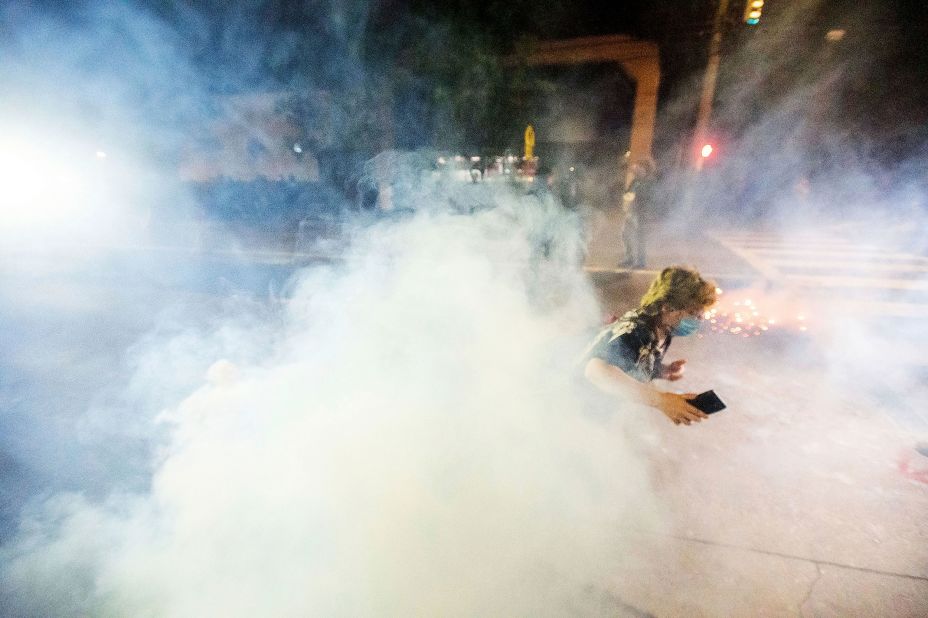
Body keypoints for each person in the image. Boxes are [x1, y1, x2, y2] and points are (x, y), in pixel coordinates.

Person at [583, 266, 717, 426]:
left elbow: (635, 361)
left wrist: (662, 370)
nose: (698, 320)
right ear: (667, 307)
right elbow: (595, 370)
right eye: (693, 313)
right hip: (576, 408)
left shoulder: (664, 329)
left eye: (701, 315)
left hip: (598, 409)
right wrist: (662, 400)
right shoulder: (636, 330)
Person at [620, 159, 655, 269]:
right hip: (631, 212)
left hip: (641, 213)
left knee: (639, 237)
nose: (636, 169)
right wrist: (627, 197)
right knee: (625, 235)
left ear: (645, 169)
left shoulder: (649, 181)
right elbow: (628, 192)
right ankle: (629, 258)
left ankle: (641, 261)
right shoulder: (635, 181)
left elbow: (649, 198)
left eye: (639, 167)